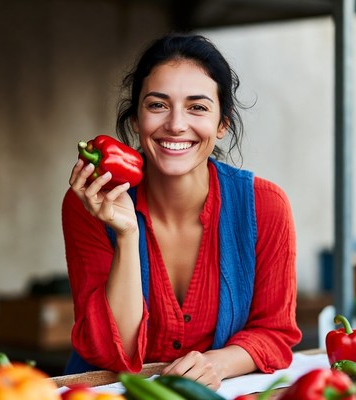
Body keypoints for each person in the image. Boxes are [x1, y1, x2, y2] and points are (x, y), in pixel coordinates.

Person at [62, 32, 302, 389]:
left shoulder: (266, 206)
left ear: (223, 124)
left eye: (198, 107)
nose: (175, 124)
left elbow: (275, 332)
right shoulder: (91, 201)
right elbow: (115, 354)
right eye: (157, 105)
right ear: (135, 120)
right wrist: (127, 234)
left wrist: (216, 364)